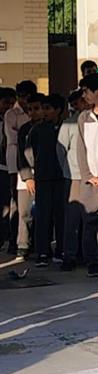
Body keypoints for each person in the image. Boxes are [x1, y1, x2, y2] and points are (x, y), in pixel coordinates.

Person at [28, 94, 68, 268]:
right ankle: (43, 251)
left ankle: (61, 249)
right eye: (43, 108)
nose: (44, 112)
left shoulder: (66, 127)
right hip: (43, 177)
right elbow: (29, 152)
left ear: (58, 110)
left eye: (48, 108)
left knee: (61, 215)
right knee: (43, 215)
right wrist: (32, 172)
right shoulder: (37, 130)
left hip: (61, 178)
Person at [77, 75, 98, 276]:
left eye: (86, 91)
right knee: (90, 221)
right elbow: (81, 149)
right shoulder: (84, 117)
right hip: (90, 179)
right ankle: (92, 260)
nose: (84, 95)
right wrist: (88, 175)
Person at [58, 89, 87, 271]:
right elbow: (61, 149)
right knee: (72, 219)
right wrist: (67, 170)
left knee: (92, 218)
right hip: (74, 176)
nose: (80, 106)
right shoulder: (69, 124)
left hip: (93, 176)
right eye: (76, 104)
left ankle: (90, 254)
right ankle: (69, 255)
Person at [5, 80, 34, 256]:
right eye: (21, 96)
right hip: (14, 163)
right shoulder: (11, 113)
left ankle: (30, 240)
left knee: (31, 205)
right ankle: (15, 240)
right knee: (16, 203)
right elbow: (13, 136)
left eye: (26, 96)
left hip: (32, 162)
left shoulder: (34, 110)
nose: (23, 100)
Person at [0, 86, 16, 254]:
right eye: (5, 103)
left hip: (8, 167)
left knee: (8, 203)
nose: (9, 107)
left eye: (12, 103)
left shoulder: (13, 119)